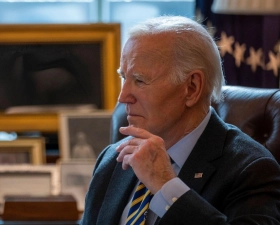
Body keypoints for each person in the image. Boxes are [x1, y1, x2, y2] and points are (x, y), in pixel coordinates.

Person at [81, 16, 280, 225]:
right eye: (124, 78)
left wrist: (167, 187)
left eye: (140, 80)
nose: (123, 97)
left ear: (192, 88)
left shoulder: (253, 170)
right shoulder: (112, 159)